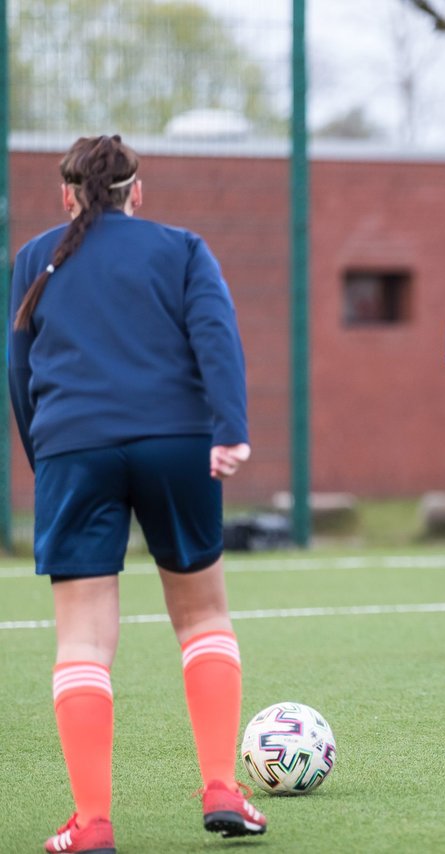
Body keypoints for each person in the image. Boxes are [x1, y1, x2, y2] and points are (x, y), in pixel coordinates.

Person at [8, 135, 266, 853]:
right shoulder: (182, 247)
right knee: (204, 616)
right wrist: (229, 430)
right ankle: (223, 788)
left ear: (67, 196)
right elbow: (217, 337)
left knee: (83, 641)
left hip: (72, 449)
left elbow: (17, 367)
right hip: (177, 443)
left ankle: (91, 823)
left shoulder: (35, 257)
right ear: (136, 192)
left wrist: (47, 456)